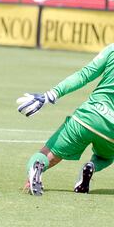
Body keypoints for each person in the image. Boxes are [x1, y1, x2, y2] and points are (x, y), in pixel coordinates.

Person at [17, 44, 114, 196]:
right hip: (111, 134)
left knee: (48, 154)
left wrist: (51, 95)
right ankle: (91, 166)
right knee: (106, 157)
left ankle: (37, 168)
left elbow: (84, 75)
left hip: (87, 118)